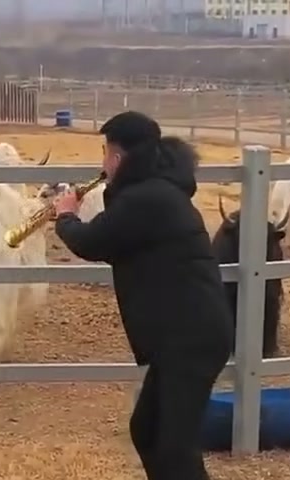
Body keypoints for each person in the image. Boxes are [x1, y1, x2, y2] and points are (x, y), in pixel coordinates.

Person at [53, 111, 233, 480]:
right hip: (181, 336)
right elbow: (118, 239)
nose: (103, 162)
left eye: (106, 153)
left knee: (175, 448)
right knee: (147, 429)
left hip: (193, 338)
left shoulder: (148, 198)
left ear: (118, 157)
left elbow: (93, 242)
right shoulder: (153, 191)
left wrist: (65, 217)